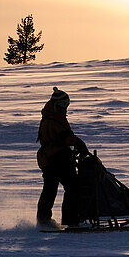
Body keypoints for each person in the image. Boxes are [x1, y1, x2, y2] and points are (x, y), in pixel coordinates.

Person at [36, 86, 88, 227]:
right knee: (73, 187)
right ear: (57, 104)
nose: (65, 108)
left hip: (49, 158)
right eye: (64, 105)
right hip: (57, 158)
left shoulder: (50, 116)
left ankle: (44, 219)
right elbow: (64, 137)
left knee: (50, 189)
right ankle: (71, 220)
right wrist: (78, 143)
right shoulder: (54, 119)